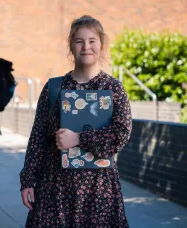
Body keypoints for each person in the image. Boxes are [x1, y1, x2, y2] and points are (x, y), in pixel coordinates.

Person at [20, 15, 132, 227]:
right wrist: (27, 181)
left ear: (101, 45)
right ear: (71, 46)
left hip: (98, 190)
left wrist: (78, 138)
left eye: (92, 41)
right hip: (55, 188)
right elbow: (37, 139)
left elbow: (121, 134)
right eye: (79, 41)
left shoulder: (113, 89)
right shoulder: (54, 88)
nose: (86, 47)